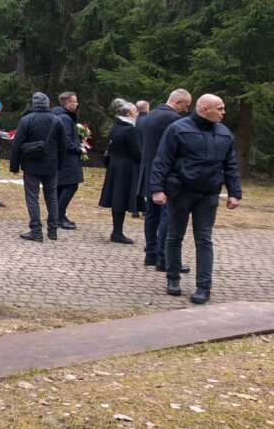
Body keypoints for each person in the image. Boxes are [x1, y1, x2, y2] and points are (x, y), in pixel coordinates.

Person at [150, 94, 242, 304]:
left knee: (204, 239)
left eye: (223, 108)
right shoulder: (178, 128)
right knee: (175, 235)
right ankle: (173, 278)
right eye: (219, 108)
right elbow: (162, 160)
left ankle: (204, 287)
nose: (223, 112)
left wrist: (235, 192)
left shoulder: (225, 133)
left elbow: (231, 166)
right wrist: (156, 189)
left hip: (208, 194)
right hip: (181, 192)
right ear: (203, 109)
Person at [138, 89, 192, 271]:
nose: (185, 110)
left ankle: (150, 254)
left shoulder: (149, 116)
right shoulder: (174, 120)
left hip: (147, 171)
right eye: (185, 106)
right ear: (177, 102)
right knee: (166, 216)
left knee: (151, 215)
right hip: (165, 175)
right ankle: (164, 258)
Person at [10, 92, 66, 242]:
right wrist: (59, 165)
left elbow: (17, 144)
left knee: (32, 198)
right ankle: (53, 230)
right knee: (52, 198)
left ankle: (36, 231)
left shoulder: (26, 119)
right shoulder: (57, 120)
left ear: (34, 104)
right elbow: (63, 146)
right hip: (51, 166)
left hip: (31, 165)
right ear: (48, 104)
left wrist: (14, 166)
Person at [98, 100, 142, 244]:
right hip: (126, 166)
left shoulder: (116, 126)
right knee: (121, 198)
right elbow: (136, 152)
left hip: (116, 164)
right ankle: (117, 232)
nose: (137, 114)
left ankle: (117, 231)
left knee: (118, 197)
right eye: (136, 111)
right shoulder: (130, 129)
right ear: (128, 114)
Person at [51, 91, 84, 230]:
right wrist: (78, 148)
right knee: (71, 185)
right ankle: (58, 215)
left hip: (63, 157)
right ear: (67, 103)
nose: (77, 104)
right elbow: (65, 139)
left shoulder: (61, 116)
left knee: (61, 186)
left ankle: (57, 215)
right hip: (67, 158)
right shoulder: (64, 118)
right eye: (75, 101)